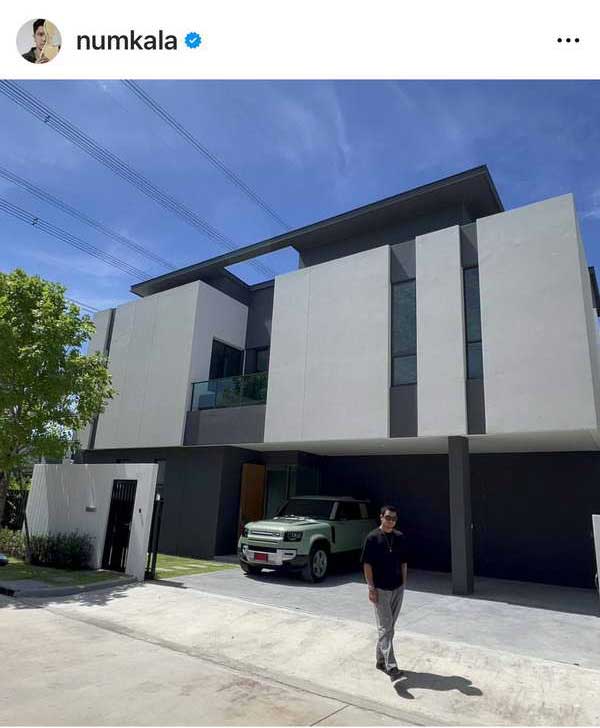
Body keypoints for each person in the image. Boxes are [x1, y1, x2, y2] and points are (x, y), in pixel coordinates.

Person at [361, 504, 408, 677]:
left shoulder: (399, 537)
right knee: (385, 627)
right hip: (380, 589)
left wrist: (403, 584)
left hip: (397, 588)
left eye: (394, 519)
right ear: (381, 517)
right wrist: (371, 588)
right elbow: (367, 565)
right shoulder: (372, 538)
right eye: (388, 518)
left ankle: (380, 660)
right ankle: (391, 665)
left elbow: (404, 562)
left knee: (388, 627)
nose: (391, 521)